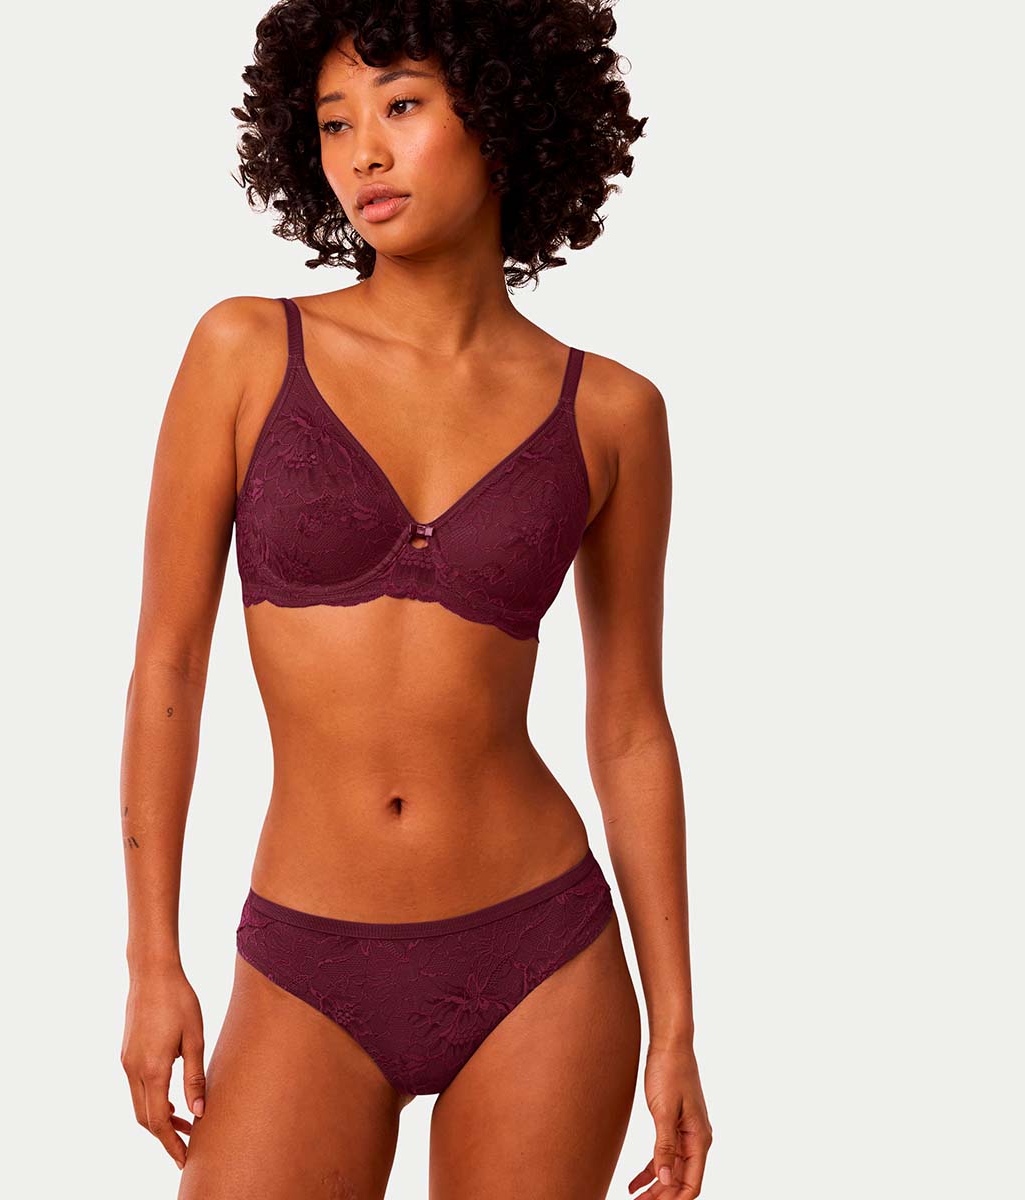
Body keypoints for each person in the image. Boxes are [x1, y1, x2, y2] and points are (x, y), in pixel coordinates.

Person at [119, 3, 712, 1196]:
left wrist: (677, 1026)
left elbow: (630, 728)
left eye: (401, 106)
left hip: (544, 955)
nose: (364, 155)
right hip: (305, 956)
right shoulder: (246, 351)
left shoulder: (613, 414)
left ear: (502, 118)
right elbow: (168, 668)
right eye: (334, 123)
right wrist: (151, 960)